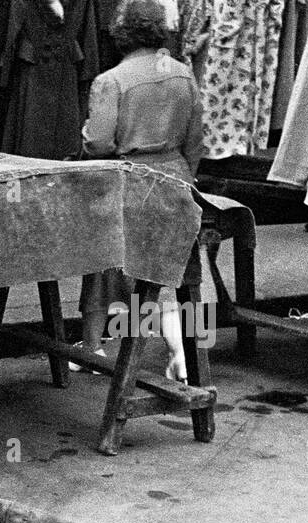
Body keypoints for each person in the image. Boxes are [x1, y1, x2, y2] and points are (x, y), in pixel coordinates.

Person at [75, 0, 203, 381]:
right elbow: (195, 142)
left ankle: (92, 347)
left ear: (121, 34)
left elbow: (97, 143)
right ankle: (182, 353)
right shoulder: (185, 76)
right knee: (171, 271)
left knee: (101, 261)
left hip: (129, 182)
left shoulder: (111, 80)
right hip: (176, 181)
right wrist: (183, 178)